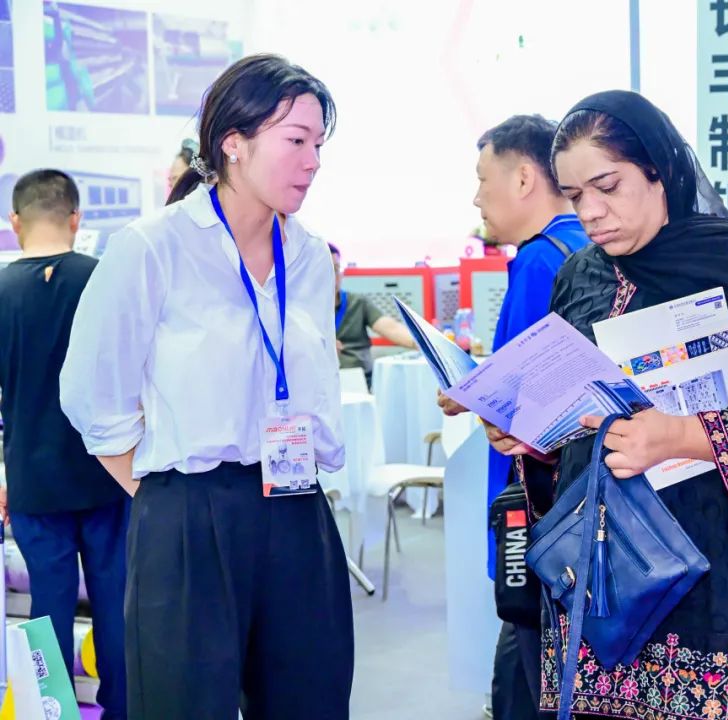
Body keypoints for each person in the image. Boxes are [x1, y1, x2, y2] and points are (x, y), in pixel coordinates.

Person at [470, 90, 728, 720]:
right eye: (575, 196)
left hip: (726, 592)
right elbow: (577, 419)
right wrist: (532, 433)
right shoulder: (581, 278)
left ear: (658, 170)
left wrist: (680, 437)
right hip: (608, 582)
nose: (592, 212)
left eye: (608, 187)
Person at [58, 55, 352, 720]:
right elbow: (92, 395)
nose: (312, 162)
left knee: (311, 698)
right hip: (189, 509)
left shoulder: (308, 255)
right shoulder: (153, 247)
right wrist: (165, 498)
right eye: (296, 140)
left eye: (318, 145)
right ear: (234, 144)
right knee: (185, 703)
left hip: (296, 502)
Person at [439, 113, 588, 720]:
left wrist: (475, 395)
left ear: (524, 178)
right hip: (580, 504)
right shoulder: (583, 247)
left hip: (537, 505)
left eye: (483, 179)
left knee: (527, 672)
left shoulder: (539, 260)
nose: (477, 197)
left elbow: (525, 403)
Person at [0, 170, 128, 719]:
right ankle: (125, 710)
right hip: (108, 473)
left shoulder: (1, 291)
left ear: (15, 222)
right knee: (117, 604)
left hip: (32, 480)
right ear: (76, 219)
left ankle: (48, 713)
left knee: (47, 610)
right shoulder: (104, 281)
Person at [328, 243, 417, 388]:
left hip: (360, 379)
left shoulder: (357, 302)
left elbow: (390, 328)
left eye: (336, 269)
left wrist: (421, 343)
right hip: (322, 381)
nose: (333, 276)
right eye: (326, 270)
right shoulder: (304, 309)